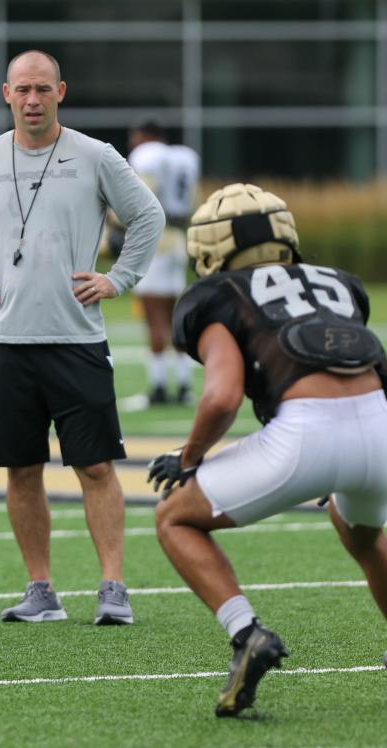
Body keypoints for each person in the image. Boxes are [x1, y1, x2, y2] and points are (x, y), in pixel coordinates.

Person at [0, 50, 164, 625]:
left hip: (76, 342)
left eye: (43, 89)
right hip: (6, 343)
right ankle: (41, 590)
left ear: (61, 91)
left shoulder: (95, 156)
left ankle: (113, 587)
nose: (32, 100)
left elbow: (149, 216)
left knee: (96, 467)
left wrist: (119, 279)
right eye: (22, 90)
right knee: (22, 469)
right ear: (5, 94)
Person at [149, 183, 387, 716]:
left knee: (173, 520)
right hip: (381, 428)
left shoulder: (217, 296)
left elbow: (222, 396)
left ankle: (245, 635)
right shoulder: (339, 284)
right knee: (364, 536)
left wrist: (189, 459)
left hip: (305, 434)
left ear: (209, 249)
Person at [126, 118, 200, 405]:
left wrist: (116, 225)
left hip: (155, 241)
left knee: (153, 318)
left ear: (143, 135)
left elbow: (141, 199)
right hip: (178, 237)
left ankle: (158, 388)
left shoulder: (148, 155)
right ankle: (183, 386)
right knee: (174, 317)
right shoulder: (184, 157)